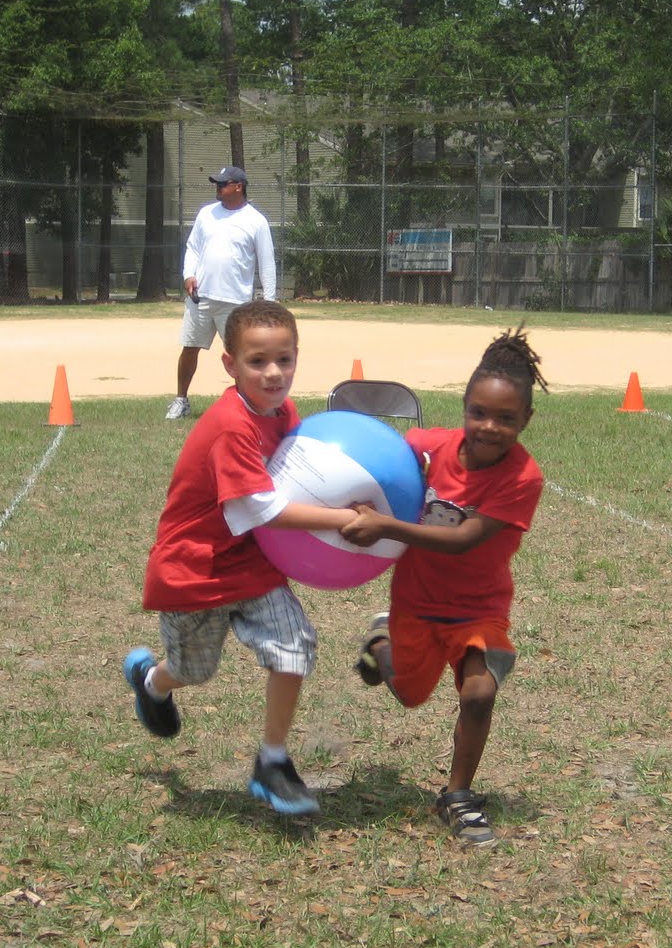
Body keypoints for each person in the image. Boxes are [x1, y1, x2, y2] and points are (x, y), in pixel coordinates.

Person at [125, 300, 359, 816]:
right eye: (257, 362)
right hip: (197, 569)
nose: (273, 373)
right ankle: (151, 680)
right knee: (193, 670)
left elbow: (303, 473)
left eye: (285, 359)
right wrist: (343, 520)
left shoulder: (284, 413)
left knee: (294, 645)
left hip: (254, 566)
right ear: (230, 365)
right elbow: (263, 508)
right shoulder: (232, 425)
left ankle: (272, 760)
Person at [340, 329, 547, 846]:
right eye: (478, 413)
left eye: (505, 418)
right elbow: (386, 455)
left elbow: (464, 539)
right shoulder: (429, 446)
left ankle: (458, 796)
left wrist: (384, 527)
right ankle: (380, 643)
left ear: (526, 420)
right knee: (409, 695)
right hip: (415, 601)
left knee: (479, 694)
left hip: (480, 609)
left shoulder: (523, 478)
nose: (489, 427)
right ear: (463, 408)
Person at [167, 165, 278, 420]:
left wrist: (270, 302)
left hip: (236, 302)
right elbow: (193, 248)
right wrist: (188, 275)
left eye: (222, 183)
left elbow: (267, 262)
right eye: (216, 184)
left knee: (240, 356)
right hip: (201, 297)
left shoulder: (256, 221)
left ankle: (244, 405)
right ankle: (181, 401)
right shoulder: (207, 214)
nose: (217, 187)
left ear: (238, 187)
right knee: (189, 348)